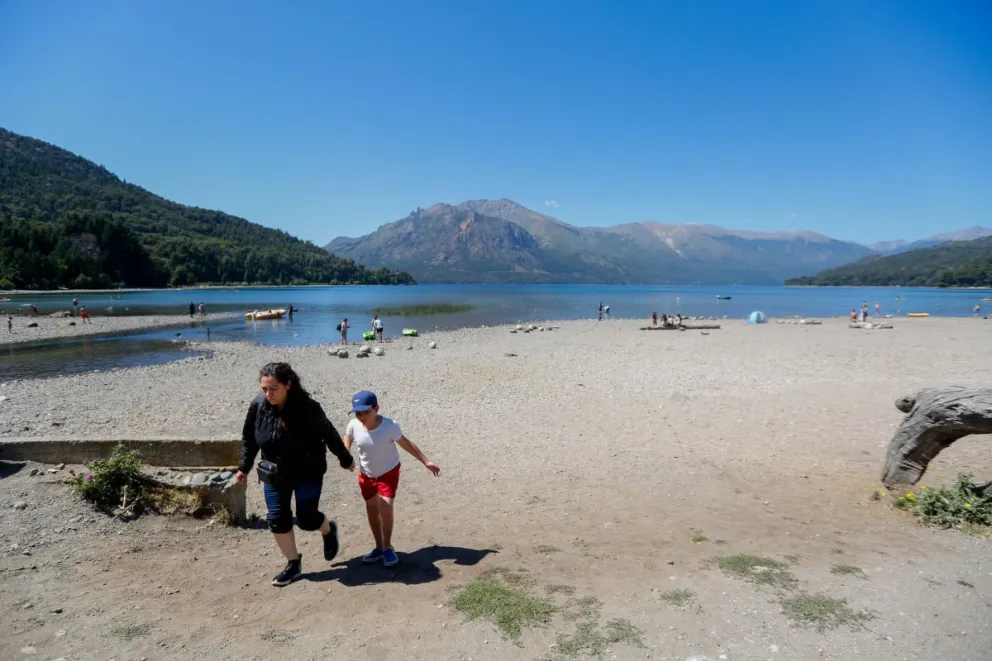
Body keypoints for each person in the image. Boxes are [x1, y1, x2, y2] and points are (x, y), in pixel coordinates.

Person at [235, 362, 355, 587]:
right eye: (264, 389)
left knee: (307, 520)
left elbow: (329, 434)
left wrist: (345, 459)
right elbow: (249, 437)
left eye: (273, 389)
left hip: (307, 471)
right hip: (274, 473)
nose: (267, 394)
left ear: (288, 385)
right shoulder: (258, 405)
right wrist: (244, 466)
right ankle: (293, 564)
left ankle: (329, 530)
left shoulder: (308, 408)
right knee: (277, 519)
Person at [345, 391, 440, 567]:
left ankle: (388, 547)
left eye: (365, 412)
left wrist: (426, 461)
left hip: (388, 472)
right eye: (358, 413)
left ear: (376, 408)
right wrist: (346, 455)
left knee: (385, 506)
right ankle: (379, 547)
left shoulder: (389, 426)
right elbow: (348, 437)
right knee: (372, 508)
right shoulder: (354, 425)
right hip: (366, 474)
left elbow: (406, 444)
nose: (361, 417)